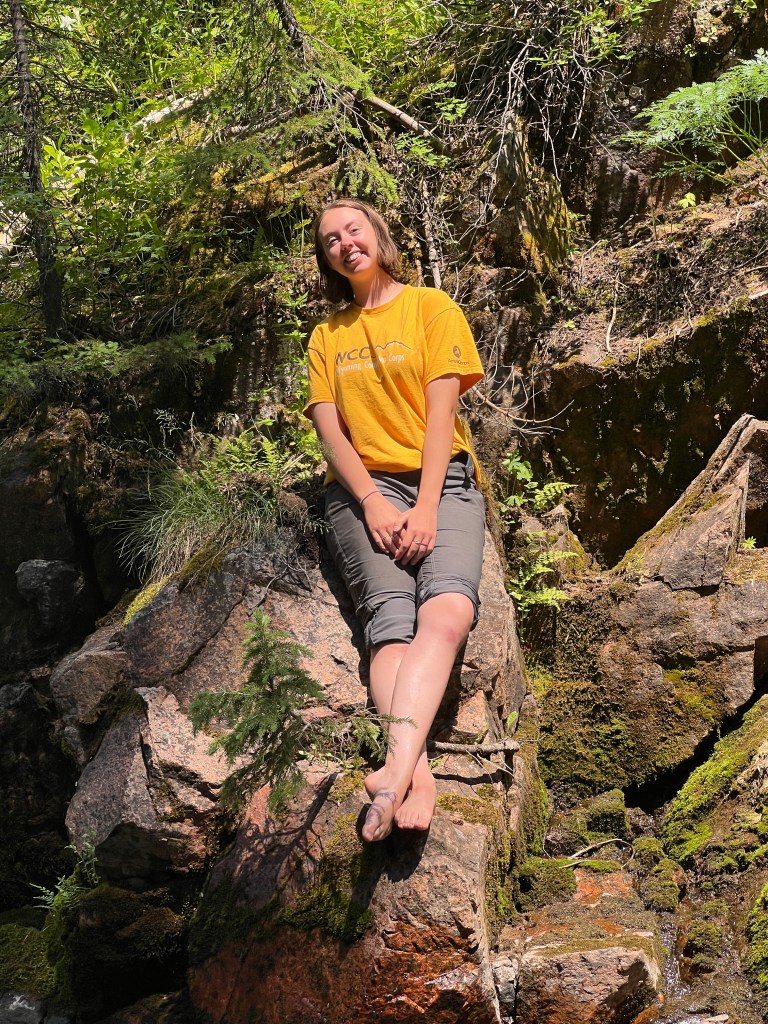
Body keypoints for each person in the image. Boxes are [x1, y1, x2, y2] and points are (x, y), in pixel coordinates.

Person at [304, 198, 486, 842]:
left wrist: (428, 505)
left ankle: (393, 773)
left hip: (444, 479)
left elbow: (442, 414)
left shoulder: (432, 308)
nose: (345, 242)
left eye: (354, 229)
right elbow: (330, 433)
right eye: (331, 239)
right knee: (390, 625)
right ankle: (415, 774)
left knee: (448, 612)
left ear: (378, 235)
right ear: (327, 260)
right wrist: (372, 501)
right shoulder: (327, 337)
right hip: (364, 489)